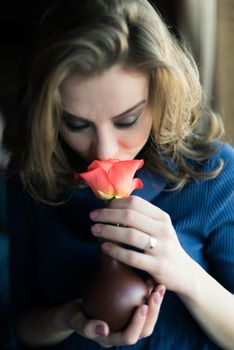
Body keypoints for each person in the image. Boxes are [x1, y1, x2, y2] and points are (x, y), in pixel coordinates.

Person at [3, 0, 234, 349]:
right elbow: (19, 329)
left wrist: (184, 274)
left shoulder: (215, 175)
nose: (104, 151)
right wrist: (68, 318)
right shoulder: (31, 181)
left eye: (127, 120)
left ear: (161, 96)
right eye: (76, 124)